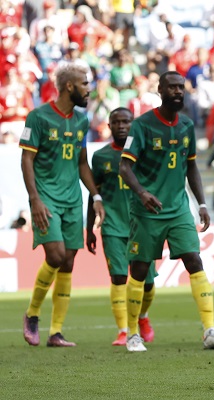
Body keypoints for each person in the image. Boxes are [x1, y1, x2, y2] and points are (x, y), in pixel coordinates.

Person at [119, 71, 214, 352]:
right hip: (147, 211)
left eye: (181, 87)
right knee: (141, 270)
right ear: (160, 91)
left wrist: (202, 204)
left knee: (194, 260)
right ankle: (132, 333)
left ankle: (209, 331)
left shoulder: (186, 125)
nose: (178, 91)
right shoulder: (143, 125)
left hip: (179, 208)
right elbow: (125, 167)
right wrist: (143, 193)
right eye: (172, 87)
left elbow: (192, 166)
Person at [20, 61, 106, 347]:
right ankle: (32, 313)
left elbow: (82, 163)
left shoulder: (81, 121)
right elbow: (26, 160)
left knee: (68, 263)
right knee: (55, 257)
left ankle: (55, 332)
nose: (89, 89)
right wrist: (34, 199)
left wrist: (95, 196)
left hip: (72, 201)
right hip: (46, 199)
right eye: (84, 84)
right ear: (69, 86)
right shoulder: (38, 117)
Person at [86, 107, 158, 346]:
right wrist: (89, 228)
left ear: (132, 124)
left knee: (147, 283)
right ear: (109, 126)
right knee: (118, 278)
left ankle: (143, 317)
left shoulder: (144, 153)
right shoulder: (101, 156)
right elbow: (93, 194)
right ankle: (124, 330)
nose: (121, 126)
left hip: (142, 225)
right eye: (116, 122)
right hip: (113, 226)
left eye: (126, 122)